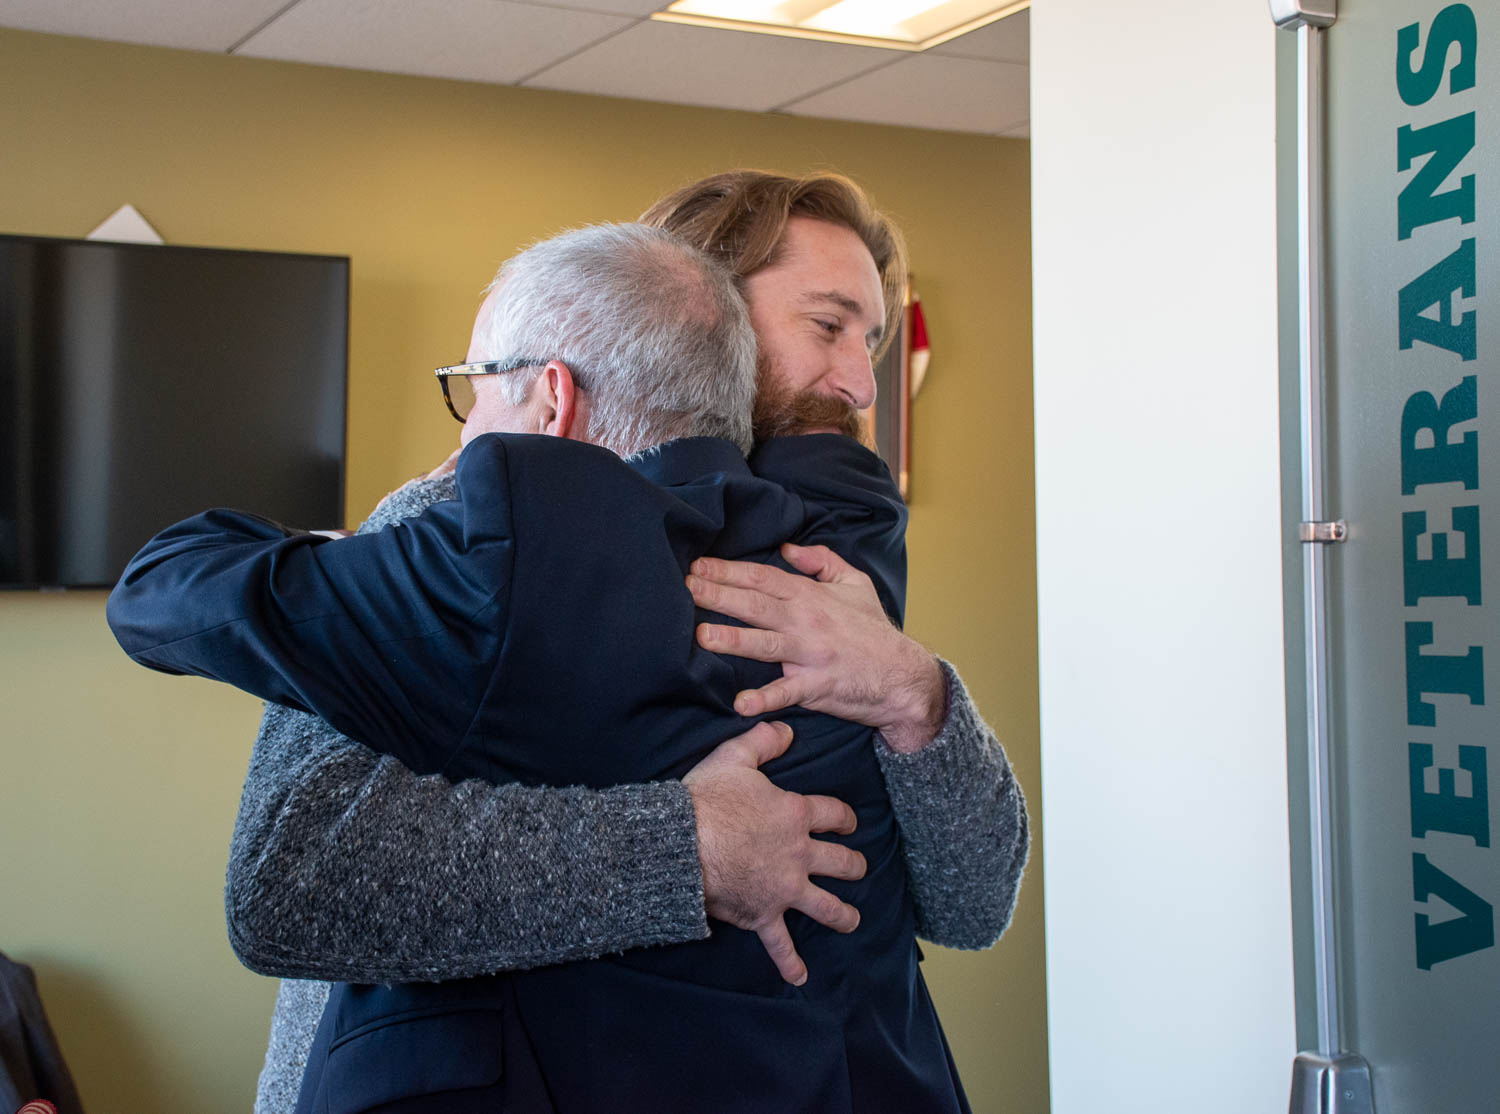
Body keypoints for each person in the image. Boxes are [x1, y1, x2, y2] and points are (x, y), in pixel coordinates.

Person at [109, 221, 976, 1112]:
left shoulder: (498, 568)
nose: (855, 381)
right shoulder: (850, 553)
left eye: (478, 390)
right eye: (827, 327)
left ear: (552, 402)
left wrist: (420, 510)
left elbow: (164, 595)